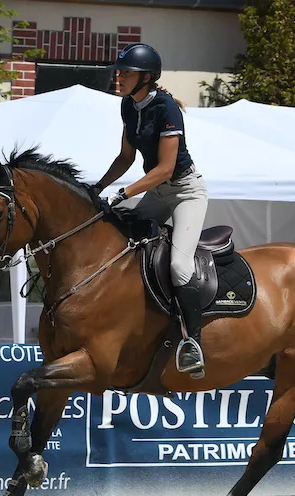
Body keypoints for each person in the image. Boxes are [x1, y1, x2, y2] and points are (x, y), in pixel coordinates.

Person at [92, 43, 209, 379]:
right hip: (158, 192)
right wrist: (97, 188)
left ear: (145, 77)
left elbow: (166, 168)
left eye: (125, 72)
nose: (119, 77)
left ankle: (193, 344)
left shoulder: (166, 108)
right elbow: (126, 158)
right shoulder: (129, 106)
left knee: (178, 263)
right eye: (119, 71)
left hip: (186, 192)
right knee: (122, 244)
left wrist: (124, 192)